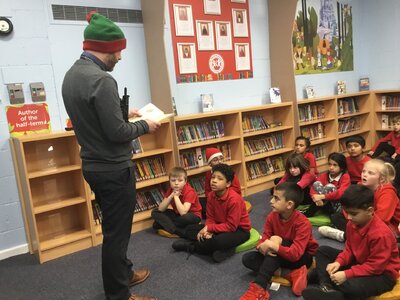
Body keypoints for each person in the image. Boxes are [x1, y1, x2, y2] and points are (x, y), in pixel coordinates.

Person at [62, 12, 160, 300]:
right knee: (117, 235)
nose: (120, 56)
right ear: (105, 48)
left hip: (93, 166)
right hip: (114, 169)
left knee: (113, 228)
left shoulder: (73, 75)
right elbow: (117, 133)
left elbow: (92, 116)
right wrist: (146, 125)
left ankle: (125, 273)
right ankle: (119, 294)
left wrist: (120, 111)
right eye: (118, 50)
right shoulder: (102, 81)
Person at [302, 185, 400, 300]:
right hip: (360, 262)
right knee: (323, 251)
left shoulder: (381, 234)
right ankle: (327, 287)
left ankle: (325, 281)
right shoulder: (351, 224)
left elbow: (375, 266)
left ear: (370, 211)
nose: (348, 217)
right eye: (346, 212)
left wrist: (347, 274)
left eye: (353, 214)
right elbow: (349, 249)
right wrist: (338, 262)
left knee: (352, 286)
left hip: (382, 274)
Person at [240, 182, 318, 299]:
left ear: (289, 204)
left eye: (276, 199)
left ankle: (259, 287)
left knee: (276, 241)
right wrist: (263, 249)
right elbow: (263, 241)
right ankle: (290, 274)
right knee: (248, 259)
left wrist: (273, 245)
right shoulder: (272, 216)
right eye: (272, 197)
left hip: (302, 257)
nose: (271, 201)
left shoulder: (303, 223)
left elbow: (295, 254)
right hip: (279, 254)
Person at [171, 164, 251, 263]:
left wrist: (209, 229)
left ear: (228, 183)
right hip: (219, 225)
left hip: (238, 230)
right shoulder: (211, 196)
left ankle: (191, 246)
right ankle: (223, 250)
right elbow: (210, 217)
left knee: (218, 241)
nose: (214, 180)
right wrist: (208, 230)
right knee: (190, 229)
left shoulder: (234, 200)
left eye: (220, 179)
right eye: (213, 177)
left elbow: (231, 226)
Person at [151, 167, 202, 237]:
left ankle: (172, 230)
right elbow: (161, 209)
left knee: (158, 224)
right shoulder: (171, 190)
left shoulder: (190, 191)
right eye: (173, 180)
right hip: (177, 215)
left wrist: (176, 197)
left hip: (192, 215)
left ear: (185, 181)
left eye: (180, 180)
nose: (176, 183)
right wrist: (171, 195)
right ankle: (175, 229)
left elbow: (183, 212)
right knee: (155, 212)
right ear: (169, 181)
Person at [304, 152, 350, 218]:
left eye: (335, 165)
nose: (331, 167)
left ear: (342, 167)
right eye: (329, 164)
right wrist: (316, 198)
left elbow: (340, 193)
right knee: (316, 184)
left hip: (337, 206)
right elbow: (313, 188)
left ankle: (309, 213)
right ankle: (308, 214)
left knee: (330, 187)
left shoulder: (345, 177)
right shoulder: (324, 175)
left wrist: (322, 197)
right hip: (322, 203)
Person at [200, 147, 242, 219]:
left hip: (227, 198)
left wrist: (221, 192)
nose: (220, 161)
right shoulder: (208, 174)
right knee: (199, 202)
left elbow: (237, 189)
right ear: (210, 164)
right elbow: (207, 190)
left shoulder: (228, 172)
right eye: (215, 160)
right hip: (214, 197)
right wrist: (211, 197)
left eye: (221, 158)